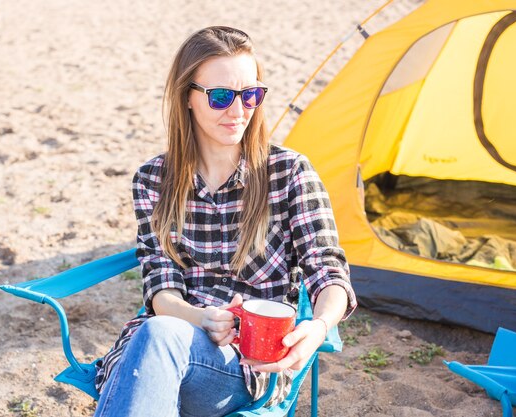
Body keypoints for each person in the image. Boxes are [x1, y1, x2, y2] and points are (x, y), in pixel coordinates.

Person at [93, 26, 357, 417]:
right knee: (157, 335)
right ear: (188, 98)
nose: (238, 112)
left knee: (154, 341)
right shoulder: (153, 180)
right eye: (220, 97)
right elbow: (162, 289)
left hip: (245, 364)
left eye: (250, 95)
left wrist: (317, 327)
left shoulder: (289, 173)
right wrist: (201, 318)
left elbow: (329, 271)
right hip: (167, 337)